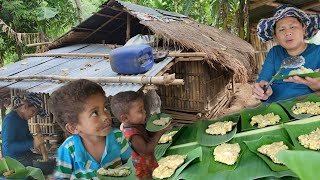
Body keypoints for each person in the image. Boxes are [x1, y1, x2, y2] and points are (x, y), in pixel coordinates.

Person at [49, 79, 131, 179]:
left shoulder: (118, 137)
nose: (106, 116)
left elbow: (128, 166)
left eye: (105, 108)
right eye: (94, 113)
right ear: (73, 127)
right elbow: (60, 177)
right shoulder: (69, 149)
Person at [253, 5, 320, 102]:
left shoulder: (318, 52)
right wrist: (262, 90)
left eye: (292, 26)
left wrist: (317, 87)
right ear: (275, 36)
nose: (288, 33)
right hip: (276, 111)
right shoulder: (274, 53)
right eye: (281, 29)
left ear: (303, 29)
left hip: (311, 110)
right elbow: (263, 80)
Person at [111, 91, 172, 179]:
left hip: (147, 162)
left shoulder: (136, 124)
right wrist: (159, 133)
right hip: (142, 168)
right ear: (125, 118)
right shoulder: (132, 135)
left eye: (143, 109)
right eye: (140, 110)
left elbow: (147, 134)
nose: (144, 112)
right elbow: (147, 149)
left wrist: (161, 129)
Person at [1, 93, 47, 166]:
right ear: (25, 107)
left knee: (48, 160)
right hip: (15, 160)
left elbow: (26, 136)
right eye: (33, 111)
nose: (34, 115)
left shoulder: (23, 119)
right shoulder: (10, 120)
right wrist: (32, 143)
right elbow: (8, 146)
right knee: (44, 167)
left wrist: (35, 144)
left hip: (25, 155)